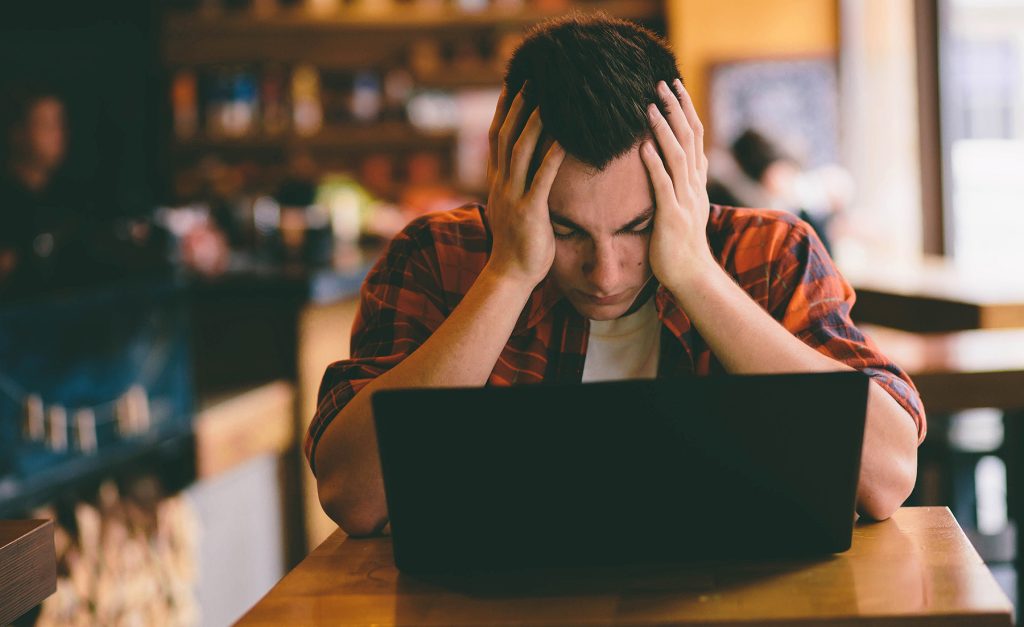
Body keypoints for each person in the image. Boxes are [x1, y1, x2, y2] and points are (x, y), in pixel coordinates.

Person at [306, 14, 926, 536]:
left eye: (638, 226)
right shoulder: (436, 258)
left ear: (687, 179)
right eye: (566, 229)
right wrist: (508, 275)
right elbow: (353, 496)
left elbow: (885, 477)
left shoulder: (770, 252)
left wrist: (696, 275)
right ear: (505, 187)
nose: (605, 271)